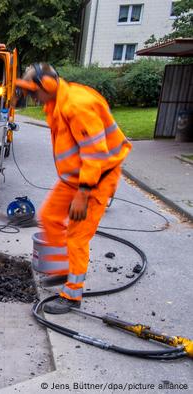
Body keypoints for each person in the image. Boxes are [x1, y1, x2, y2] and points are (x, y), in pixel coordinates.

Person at [14, 63, 131, 314]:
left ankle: (72, 294)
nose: (31, 97)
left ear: (47, 85)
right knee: (49, 217)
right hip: (73, 179)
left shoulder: (77, 105)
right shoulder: (55, 102)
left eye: (33, 91)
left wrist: (83, 193)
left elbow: (95, 154)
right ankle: (63, 269)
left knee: (78, 236)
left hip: (94, 180)